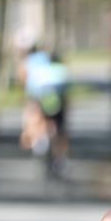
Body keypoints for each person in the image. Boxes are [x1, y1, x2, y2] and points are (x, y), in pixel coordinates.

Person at [17, 46, 69, 176]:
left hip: (42, 99)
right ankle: (60, 158)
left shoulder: (39, 72)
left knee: (41, 122)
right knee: (60, 130)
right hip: (59, 101)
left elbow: (33, 93)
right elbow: (67, 93)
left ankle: (40, 142)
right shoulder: (62, 71)